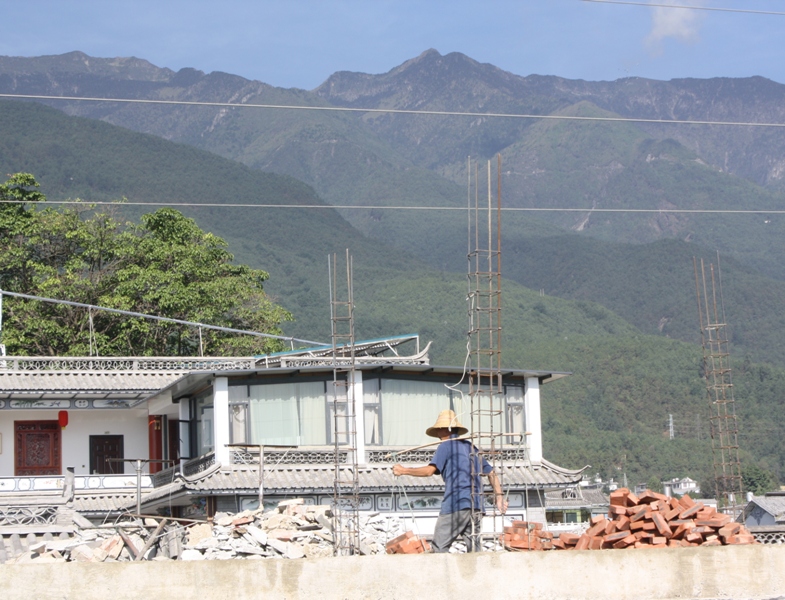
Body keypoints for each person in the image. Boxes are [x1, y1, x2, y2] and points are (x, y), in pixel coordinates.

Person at [392, 409, 508, 552]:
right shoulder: (471, 447)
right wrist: (499, 497)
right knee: (475, 551)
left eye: (439, 429)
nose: (438, 434)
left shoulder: (445, 446)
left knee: (439, 548)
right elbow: (491, 473)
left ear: (444, 429)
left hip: (456, 504)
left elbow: (429, 471)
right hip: (476, 506)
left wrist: (404, 470)